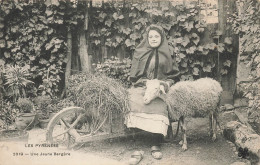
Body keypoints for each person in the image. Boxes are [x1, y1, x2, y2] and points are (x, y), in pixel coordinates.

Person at [125, 24, 179, 164]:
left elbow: (173, 76)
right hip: (141, 86)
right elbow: (135, 76)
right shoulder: (140, 52)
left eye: (156, 36)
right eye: (151, 36)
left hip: (160, 89)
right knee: (132, 102)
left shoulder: (169, 53)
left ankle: (155, 143)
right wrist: (145, 83)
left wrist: (163, 84)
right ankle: (136, 145)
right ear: (147, 38)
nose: (153, 39)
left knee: (158, 105)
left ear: (161, 38)